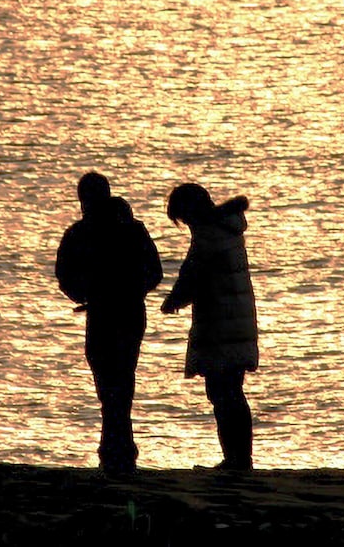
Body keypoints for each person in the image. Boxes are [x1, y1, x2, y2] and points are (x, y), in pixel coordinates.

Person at [55, 172, 162, 475]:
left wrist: (86, 295)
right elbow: (154, 273)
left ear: (83, 200)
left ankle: (116, 448)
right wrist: (132, 291)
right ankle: (119, 448)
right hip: (128, 312)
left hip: (103, 313)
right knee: (122, 380)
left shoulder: (80, 232)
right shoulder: (131, 229)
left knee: (108, 383)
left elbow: (64, 274)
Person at [160, 183, 258, 471]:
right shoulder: (227, 229)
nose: (186, 225)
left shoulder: (208, 235)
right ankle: (240, 459)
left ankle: (236, 460)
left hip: (221, 325)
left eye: (184, 218)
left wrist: (173, 300)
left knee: (222, 392)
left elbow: (193, 274)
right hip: (237, 322)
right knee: (232, 391)